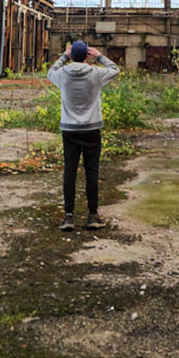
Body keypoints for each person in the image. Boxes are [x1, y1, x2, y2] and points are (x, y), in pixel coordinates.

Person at [47, 40, 120, 231]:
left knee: (70, 172)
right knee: (92, 171)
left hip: (69, 130)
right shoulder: (96, 74)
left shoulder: (62, 74)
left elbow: (50, 72)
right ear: (88, 56)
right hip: (91, 129)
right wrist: (99, 56)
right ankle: (93, 215)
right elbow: (115, 69)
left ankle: (69, 217)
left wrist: (64, 56)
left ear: (72, 56)